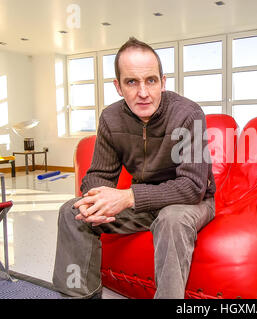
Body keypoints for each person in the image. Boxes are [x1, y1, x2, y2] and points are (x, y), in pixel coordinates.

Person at [52, 37, 216, 299]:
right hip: (143, 203)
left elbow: (193, 187)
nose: (143, 92)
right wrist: (96, 200)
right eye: (131, 82)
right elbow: (99, 175)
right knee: (73, 212)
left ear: (163, 81)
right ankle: (80, 296)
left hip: (189, 202)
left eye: (151, 80)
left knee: (171, 219)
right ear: (118, 86)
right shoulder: (110, 117)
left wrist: (128, 196)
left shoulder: (189, 114)